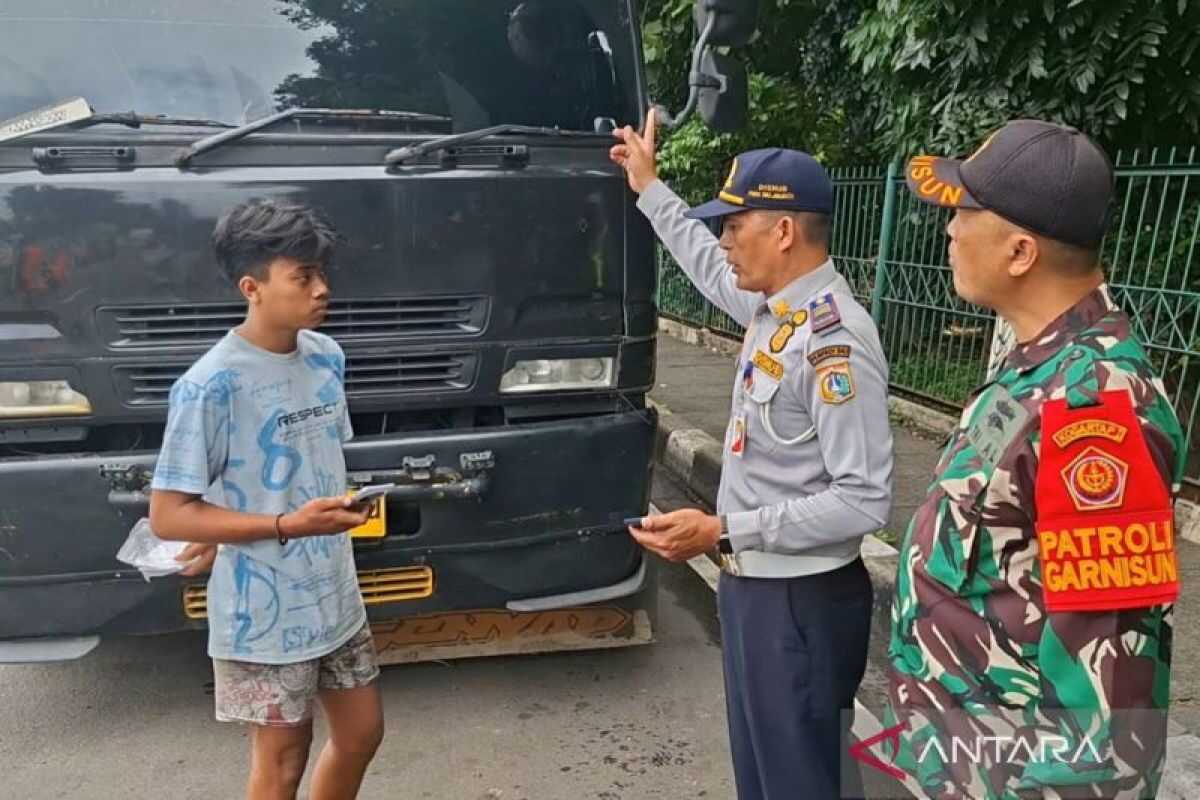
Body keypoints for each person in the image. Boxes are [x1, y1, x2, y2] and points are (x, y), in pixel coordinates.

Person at [885, 120, 1186, 799]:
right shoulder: (1039, 370)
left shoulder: (1095, 409)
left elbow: (1110, 695)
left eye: (965, 214)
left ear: (1020, 251)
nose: (949, 231)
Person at [610, 111, 894, 799]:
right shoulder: (775, 310)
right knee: (764, 777)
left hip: (801, 602)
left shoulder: (834, 342)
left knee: (802, 780)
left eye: (735, 226)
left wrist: (725, 530)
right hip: (753, 589)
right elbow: (704, 263)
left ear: (785, 232)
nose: (725, 241)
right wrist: (649, 187)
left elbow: (864, 499)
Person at [148, 200, 384, 800]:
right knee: (282, 764)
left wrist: (338, 508)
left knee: (362, 735)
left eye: (322, 274)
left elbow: (314, 465)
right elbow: (169, 514)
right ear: (251, 287)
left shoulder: (327, 358)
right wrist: (282, 523)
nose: (322, 289)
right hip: (264, 616)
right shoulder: (209, 385)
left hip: (336, 595)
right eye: (303, 278)